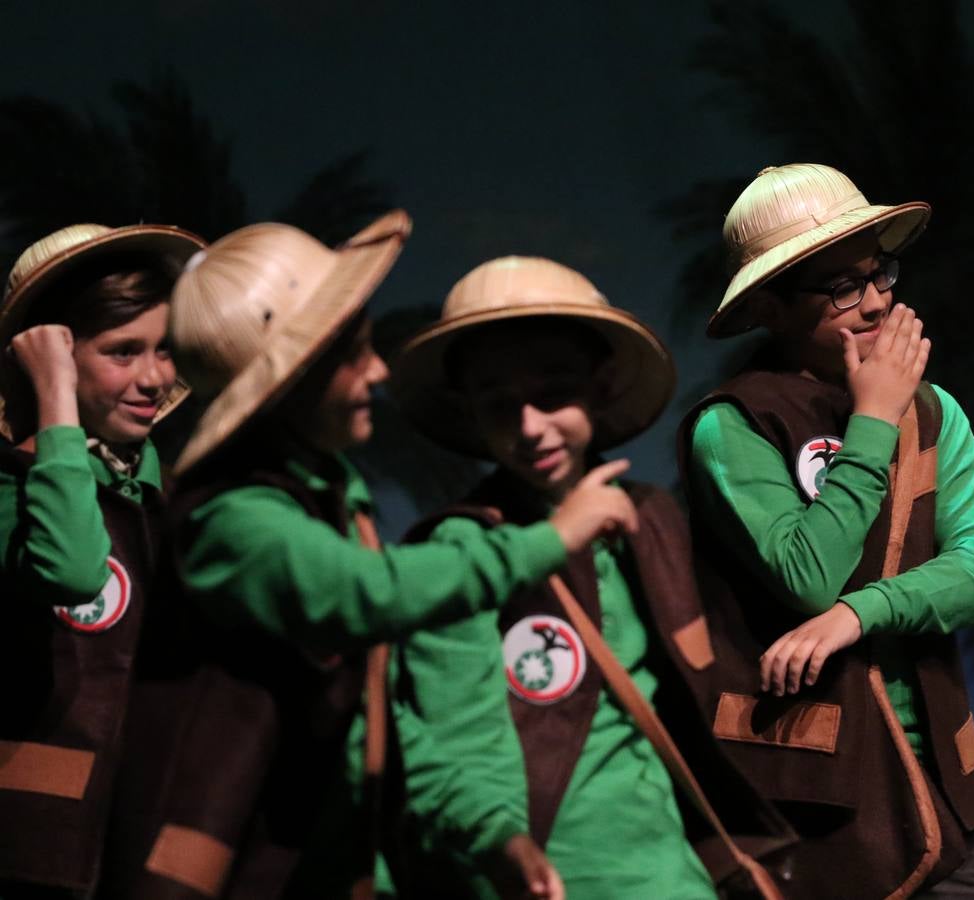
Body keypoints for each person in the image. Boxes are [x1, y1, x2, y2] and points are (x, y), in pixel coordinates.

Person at [103, 216, 628, 899]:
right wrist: (553, 538)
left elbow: (374, 715)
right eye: (353, 353)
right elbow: (365, 592)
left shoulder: (325, 503)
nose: (378, 369)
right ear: (292, 376)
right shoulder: (229, 521)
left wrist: (492, 836)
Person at [386, 256, 792, 899]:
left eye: (552, 394)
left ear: (600, 387)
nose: (529, 426)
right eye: (498, 404)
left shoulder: (653, 522)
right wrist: (500, 841)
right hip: (537, 883)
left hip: (672, 877)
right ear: (467, 413)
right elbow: (452, 737)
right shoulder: (460, 550)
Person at [680, 164, 974, 898]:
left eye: (879, 274)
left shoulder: (933, 412)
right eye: (839, 287)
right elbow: (806, 573)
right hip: (811, 801)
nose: (873, 302)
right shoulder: (734, 425)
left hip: (937, 795)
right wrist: (870, 422)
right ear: (770, 304)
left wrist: (857, 615)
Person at [0, 223, 203, 898]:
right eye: (123, 352)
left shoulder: (168, 501)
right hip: (27, 853)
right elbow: (73, 570)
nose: (153, 378)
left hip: (137, 855)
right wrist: (56, 402)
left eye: (165, 351)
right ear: (51, 352)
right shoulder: (12, 484)